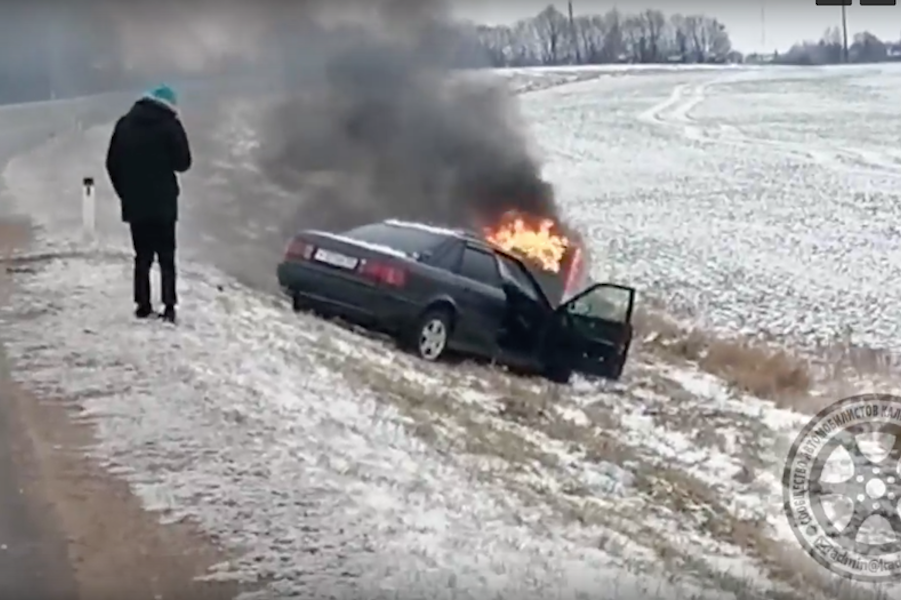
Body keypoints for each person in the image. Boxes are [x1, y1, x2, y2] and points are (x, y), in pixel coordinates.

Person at [105, 84, 192, 323]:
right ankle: (169, 306)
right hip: (163, 202)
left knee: (141, 256)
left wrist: (125, 192)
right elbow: (183, 163)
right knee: (166, 256)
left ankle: (142, 305)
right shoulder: (170, 125)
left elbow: (112, 163)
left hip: (135, 203)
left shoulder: (124, 124)